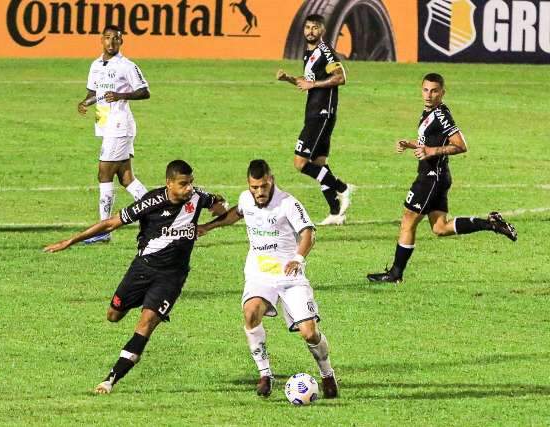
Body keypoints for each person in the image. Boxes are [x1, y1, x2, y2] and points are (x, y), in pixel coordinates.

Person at [44, 160, 226, 394]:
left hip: (172, 277)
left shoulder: (198, 197)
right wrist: (70, 241)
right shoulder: (152, 201)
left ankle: (110, 380)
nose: (189, 188)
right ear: (169, 183)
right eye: (183, 184)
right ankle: (143, 299)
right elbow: (110, 223)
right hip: (142, 269)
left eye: (191, 182)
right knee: (113, 315)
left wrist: (212, 219)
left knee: (146, 323)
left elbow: (221, 205)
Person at [198, 159, 339, 399]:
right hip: (259, 273)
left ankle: (327, 374)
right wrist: (207, 227)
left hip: (289, 274)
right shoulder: (245, 199)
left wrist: (298, 258)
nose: (260, 192)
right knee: (251, 312)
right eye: (255, 188)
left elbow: (308, 232)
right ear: (249, 185)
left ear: (271, 180)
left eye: (263, 186)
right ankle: (265, 374)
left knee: (309, 333)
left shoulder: (288, 203)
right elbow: (236, 214)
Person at [367, 73, 517, 284]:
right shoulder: (429, 112)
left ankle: (395, 274)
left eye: (434, 90)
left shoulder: (442, 115)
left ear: (442, 93)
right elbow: (429, 140)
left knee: (408, 219)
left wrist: (431, 150)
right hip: (437, 175)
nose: (429, 95)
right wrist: (411, 144)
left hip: (431, 177)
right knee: (440, 227)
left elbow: (460, 145)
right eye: (425, 90)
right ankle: (491, 224)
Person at [276, 14, 352, 226]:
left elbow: (340, 77)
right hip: (315, 112)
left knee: (300, 163)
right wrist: (289, 79)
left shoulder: (325, 52)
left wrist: (314, 85)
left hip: (322, 114)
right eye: (308, 27)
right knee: (319, 164)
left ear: (322, 31)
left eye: (315, 28)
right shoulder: (309, 53)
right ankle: (336, 213)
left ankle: (342, 188)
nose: (310, 31)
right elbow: (307, 82)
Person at [78, 25, 150, 244]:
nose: (111, 42)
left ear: (121, 42)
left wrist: (120, 94)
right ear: (101, 40)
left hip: (119, 126)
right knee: (127, 179)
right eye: (108, 38)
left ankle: (103, 229)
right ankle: (158, 214)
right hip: (105, 125)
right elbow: (95, 92)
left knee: (104, 174)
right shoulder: (96, 65)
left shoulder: (126, 66)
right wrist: (85, 102)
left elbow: (144, 91)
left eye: (116, 39)